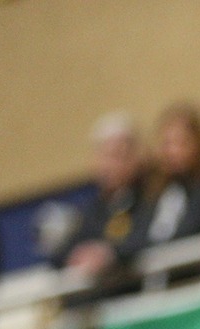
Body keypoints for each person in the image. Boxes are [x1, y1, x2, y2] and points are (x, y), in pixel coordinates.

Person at [133, 103, 200, 281]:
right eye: (166, 144)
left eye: (180, 143)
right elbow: (137, 238)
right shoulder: (155, 196)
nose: (172, 152)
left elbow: (187, 237)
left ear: (198, 145)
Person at [49, 112, 151, 284]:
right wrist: (79, 255)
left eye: (117, 155)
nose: (109, 166)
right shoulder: (94, 209)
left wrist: (109, 254)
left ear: (135, 158)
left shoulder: (150, 197)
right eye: (104, 156)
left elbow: (149, 239)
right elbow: (60, 254)